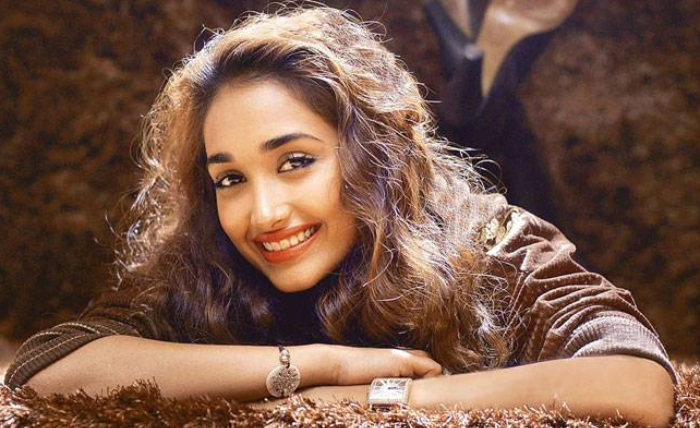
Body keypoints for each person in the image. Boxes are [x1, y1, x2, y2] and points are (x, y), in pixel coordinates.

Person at [4, 5, 676, 427]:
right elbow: (45, 367)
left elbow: (637, 381)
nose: (264, 212)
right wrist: (319, 366)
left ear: (371, 154)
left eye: (296, 161)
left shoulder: (492, 243)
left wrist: (384, 400)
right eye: (230, 178)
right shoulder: (207, 261)